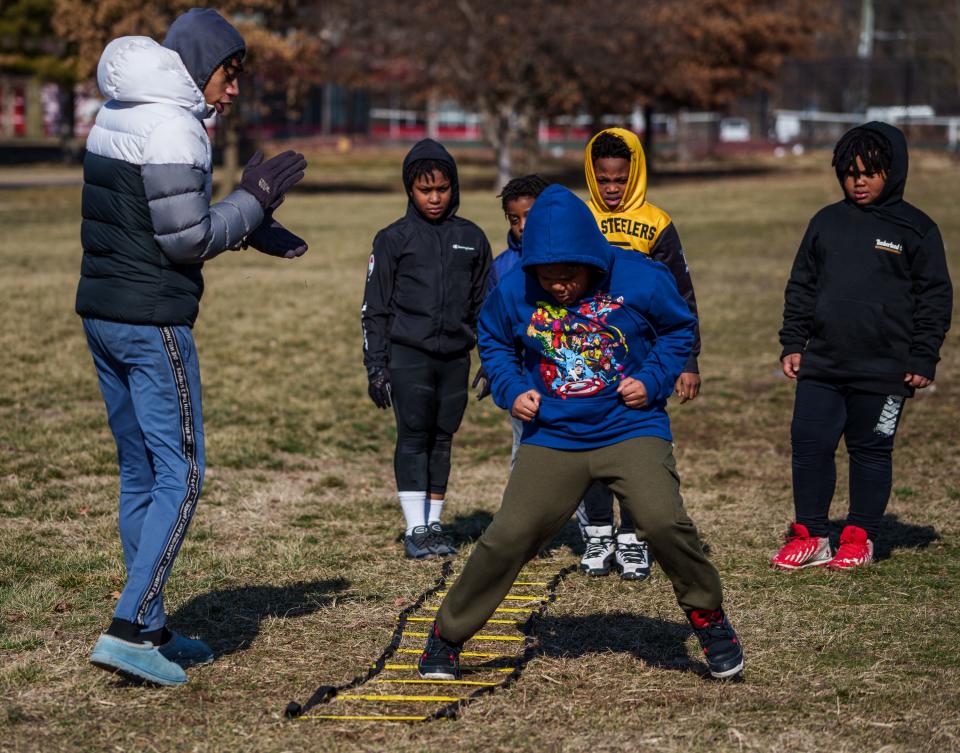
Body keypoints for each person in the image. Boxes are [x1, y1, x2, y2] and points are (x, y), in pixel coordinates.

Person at [417, 185, 744, 681]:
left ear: (591, 258)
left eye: (568, 276)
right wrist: (510, 388)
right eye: (548, 279)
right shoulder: (515, 288)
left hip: (629, 426)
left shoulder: (639, 276)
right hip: (554, 435)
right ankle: (445, 638)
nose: (560, 288)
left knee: (662, 522)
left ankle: (709, 618)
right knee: (508, 537)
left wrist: (653, 379)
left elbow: (680, 329)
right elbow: (495, 341)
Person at [79, 8, 308, 686]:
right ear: (200, 64)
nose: (232, 90)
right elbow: (182, 240)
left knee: (141, 473)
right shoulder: (175, 124)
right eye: (229, 74)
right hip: (153, 322)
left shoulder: (121, 109)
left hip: (102, 310)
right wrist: (254, 201)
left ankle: (147, 624)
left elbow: (153, 216)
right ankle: (127, 628)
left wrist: (246, 223)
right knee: (182, 475)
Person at [772, 122, 952, 571]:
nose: (859, 181)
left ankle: (859, 535)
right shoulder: (825, 222)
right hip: (824, 362)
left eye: (871, 172)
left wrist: (923, 354)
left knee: (870, 449)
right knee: (809, 443)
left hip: (884, 368)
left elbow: (935, 297)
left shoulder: (917, 229)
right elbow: (802, 286)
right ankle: (811, 534)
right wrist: (794, 341)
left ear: (893, 172)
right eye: (851, 172)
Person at [576, 128, 703, 580]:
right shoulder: (579, 217)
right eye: (604, 180)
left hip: (643, 361)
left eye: (620, 181)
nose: (612, 189)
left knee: (634, 448)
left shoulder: (657, 222)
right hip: (587, 356)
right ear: (592, 176)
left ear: (635, 176)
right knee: (589, 445)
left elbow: (681, 297)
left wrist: (688, 361)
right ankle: (596, 533)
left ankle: (631, 539)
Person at [361, 139, 492, 560]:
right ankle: (414, 527)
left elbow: (485, 306)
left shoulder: (471, 238)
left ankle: (435, 523)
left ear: (454, 187)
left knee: (443, 439)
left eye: (442, 189)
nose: (434, 198)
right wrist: (376, 366)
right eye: (424, 189)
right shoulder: (392, 239)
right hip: (408, 356)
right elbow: (374, 308)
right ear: (409, 189)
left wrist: (490, 359)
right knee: (414, 436)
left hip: (455, 356)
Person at [472, 174, 551, 467]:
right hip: (523, 378)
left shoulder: (572, 258)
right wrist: (492, 366)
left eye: (529, 216)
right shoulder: (502, 267)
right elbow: (493, 325)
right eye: (513, 219)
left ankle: (593, 516)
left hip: (566, 375)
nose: (522, 227)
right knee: (525, 452)